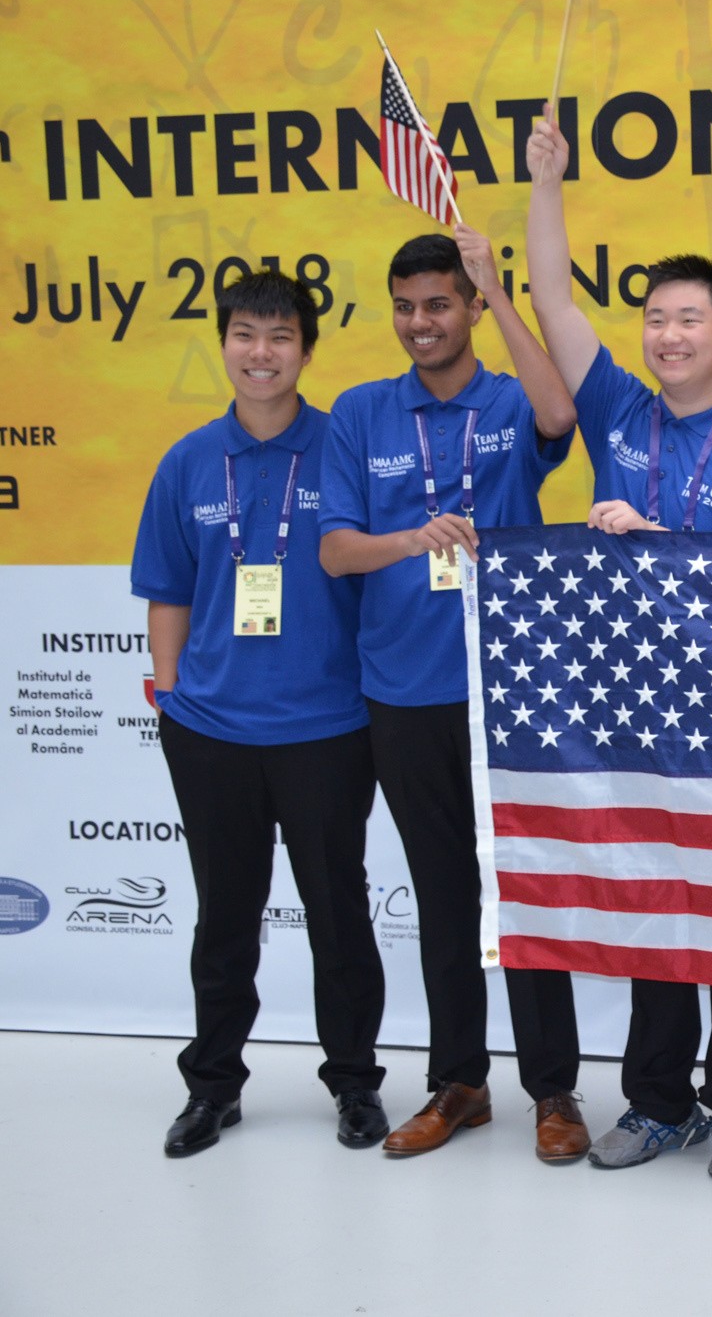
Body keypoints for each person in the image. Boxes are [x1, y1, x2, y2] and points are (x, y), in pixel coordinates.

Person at [525, 111, 712, 1179]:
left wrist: (657, 541)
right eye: (655, 318)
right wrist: (547, 183)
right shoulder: (616, 413)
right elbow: (554, 300)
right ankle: (655, 1102)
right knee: (648, 902)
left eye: (690, 319)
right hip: (625, 701)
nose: (668, 334)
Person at [319, 230, 584, 1161]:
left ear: (467, 308)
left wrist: (498, 292)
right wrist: (414, 538)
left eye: (438, 304)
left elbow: (561, 410)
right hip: (403, 691)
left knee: (526, 892)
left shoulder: (508, 400)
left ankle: (554, 1091)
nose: (420, 323)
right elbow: (334, 550)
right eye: (405, 307)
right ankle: (460, 1082)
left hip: (509, 684)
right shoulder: (361, 413)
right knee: (442, 894)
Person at [132, 271, 386, 1156]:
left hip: (330, 728)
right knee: (224, 918)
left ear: (306, 350)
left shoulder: (344, 447)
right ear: (224, 344)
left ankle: (354, 1083)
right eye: (245, 334)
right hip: (212, 731)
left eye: (280, 336)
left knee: (338, 914)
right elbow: (167, 590)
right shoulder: (188, 461)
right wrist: (172, 698)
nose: (261, 352)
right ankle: (212, 1088)